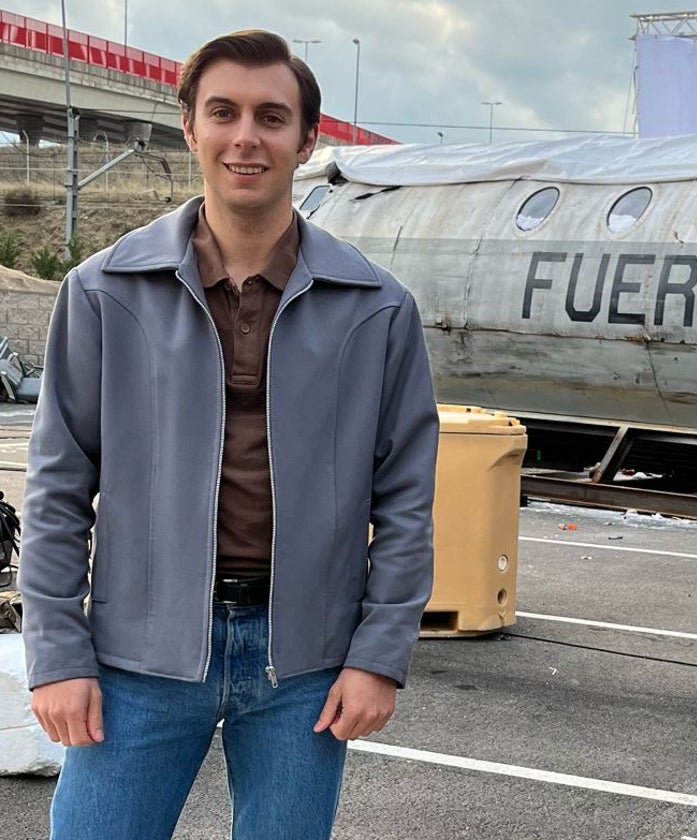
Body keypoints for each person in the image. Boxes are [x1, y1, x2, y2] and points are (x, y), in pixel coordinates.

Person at [18, 29, 439, 839]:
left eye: (272, 117)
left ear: (306, 140)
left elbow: (408, 501)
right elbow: (58, 486)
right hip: (135, 657)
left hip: (305, 667)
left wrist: (379, 653)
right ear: (190, 125)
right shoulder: (103, 291)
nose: (247, 137)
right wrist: (59, 653)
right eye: (225, 112)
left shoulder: (378, 308)